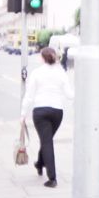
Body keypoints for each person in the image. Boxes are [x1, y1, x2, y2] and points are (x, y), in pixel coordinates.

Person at [21, 47, 73, 188]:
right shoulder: (61, 73)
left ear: (42, 58)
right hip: (57, 112)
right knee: (47, 140)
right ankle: (39, 163)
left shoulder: (37, 73)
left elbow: (29, 95)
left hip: (41, 111)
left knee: (46, 142)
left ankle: (52, 178)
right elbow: (69, 95)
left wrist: (23, 114)